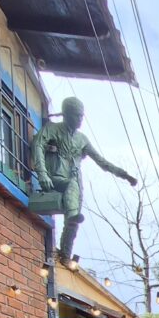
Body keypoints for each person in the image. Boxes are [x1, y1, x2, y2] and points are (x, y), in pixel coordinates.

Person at [32, 97, 137, 263]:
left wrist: (124, 175)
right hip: (56, 177)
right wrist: (42, 173)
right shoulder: (52, 129)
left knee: (73, 220)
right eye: (76, 115)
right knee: (73, 205)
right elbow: (38, 145)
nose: (80, 119)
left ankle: (65, 255)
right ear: (66, 115)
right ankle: (73, 215)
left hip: (75, 182)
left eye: (82, 116)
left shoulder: (82, 139)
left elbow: (101, 161)